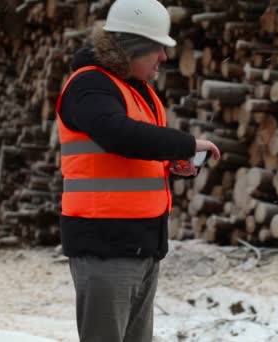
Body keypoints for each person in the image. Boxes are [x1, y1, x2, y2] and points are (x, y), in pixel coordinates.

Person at [55, 0, 221, 341]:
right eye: (158, 48)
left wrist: (171, 164)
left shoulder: (134, 90)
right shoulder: (90, 86)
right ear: (133, 48)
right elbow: (118, 135)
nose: (163, 57)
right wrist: (186, 145)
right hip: (105, 245)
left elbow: (133, 153)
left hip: (140, 244)